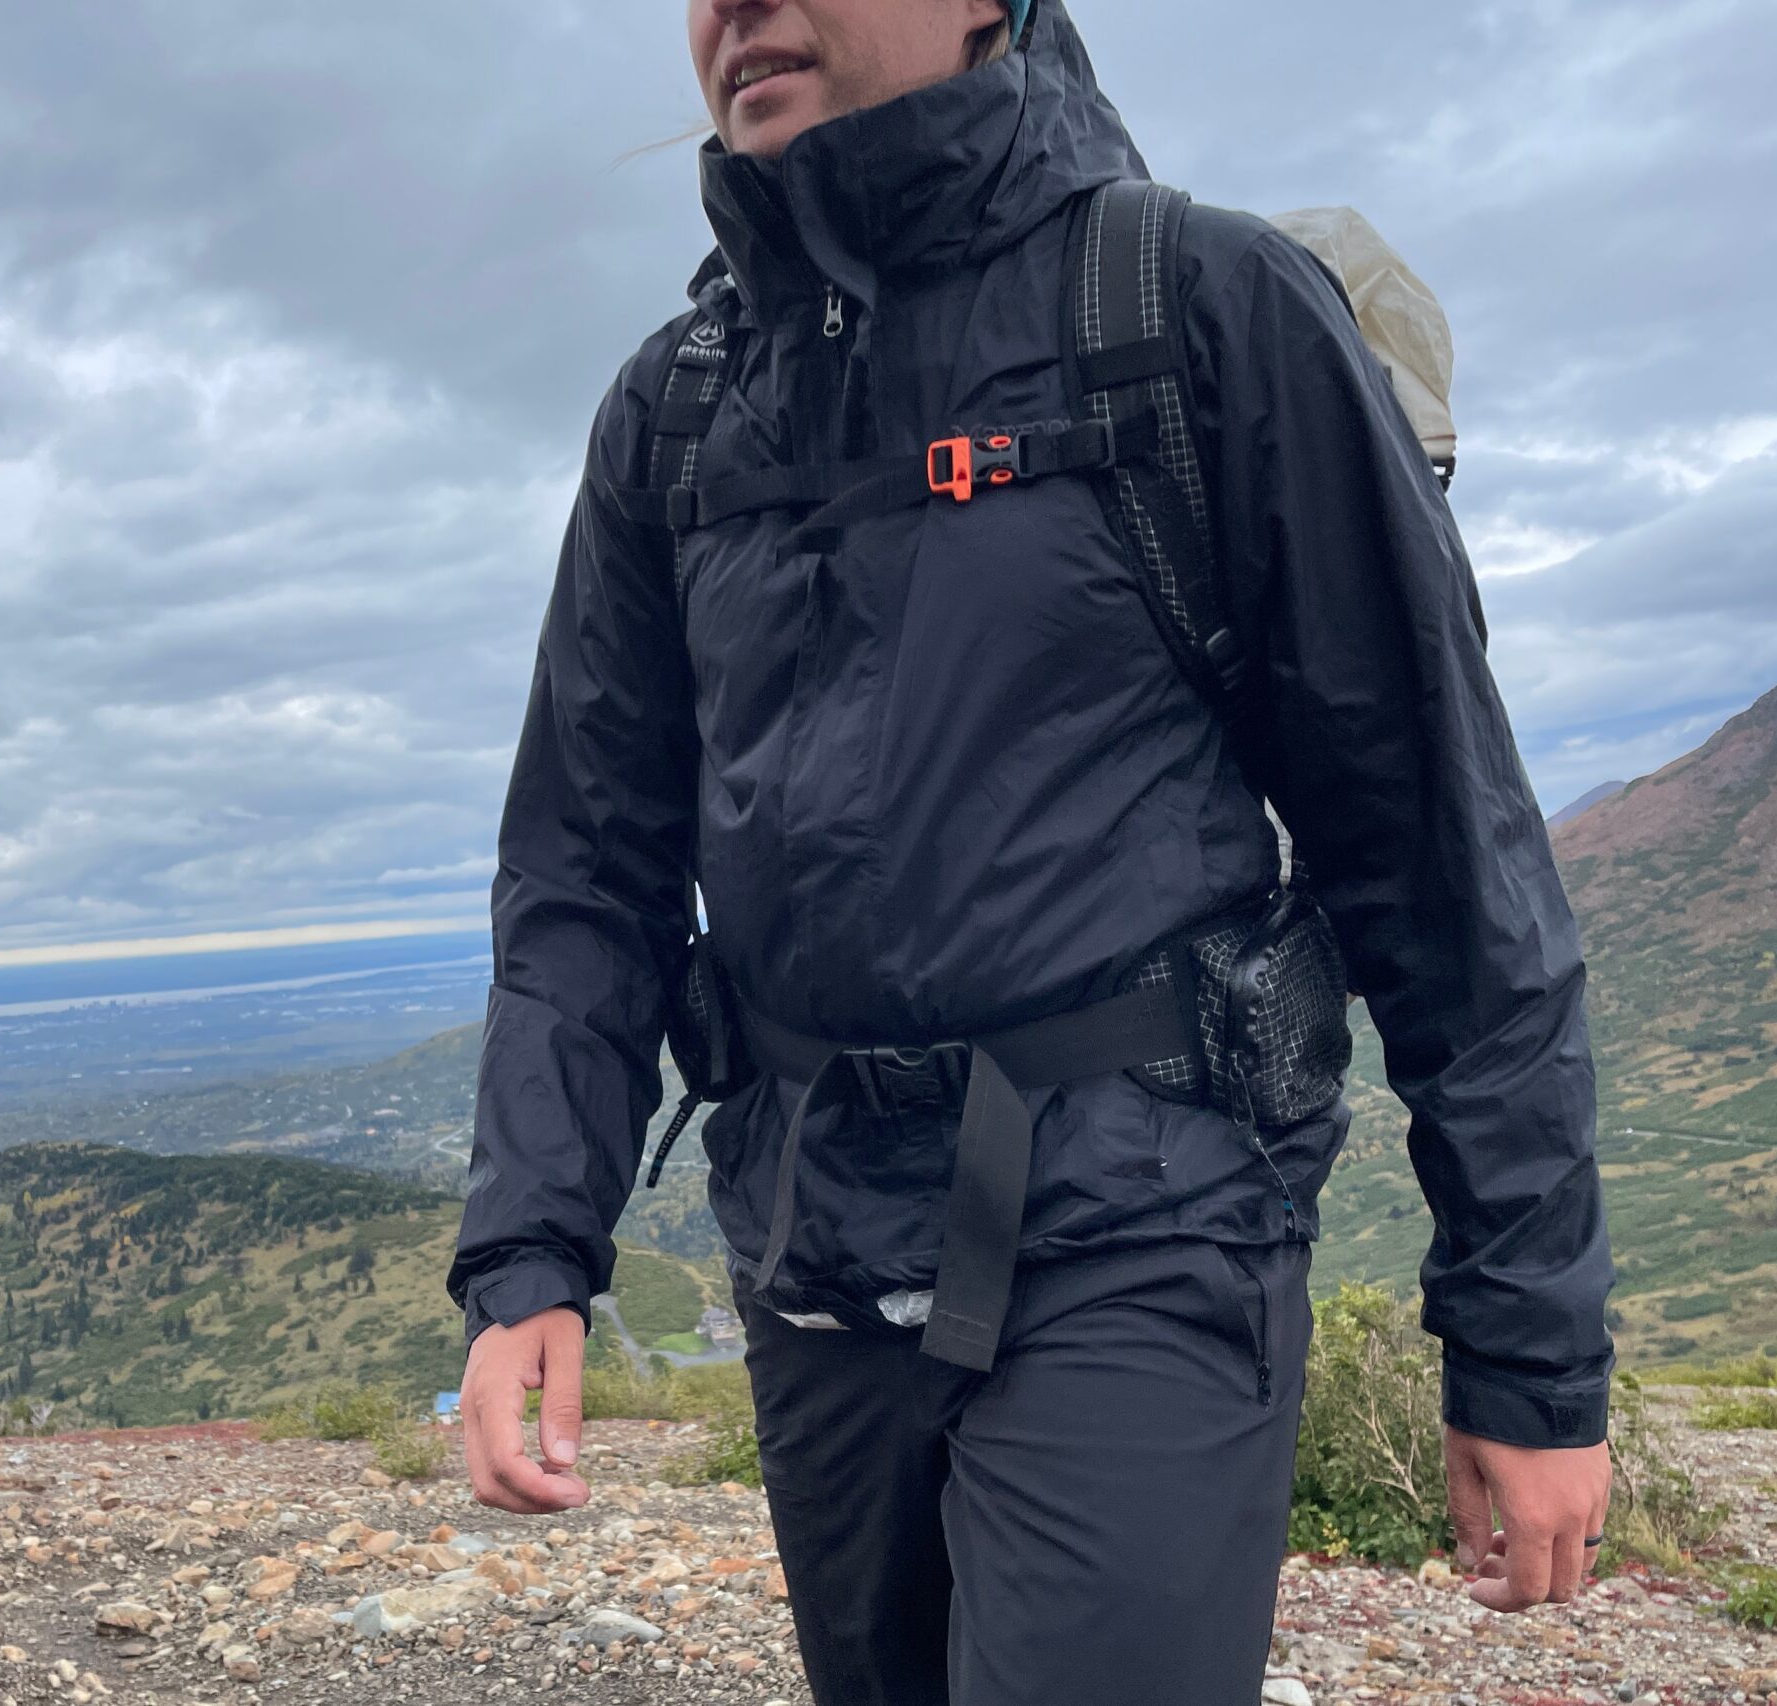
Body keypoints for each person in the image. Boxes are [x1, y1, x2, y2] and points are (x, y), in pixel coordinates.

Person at [447, 1, 1615, 1699]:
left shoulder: (1196, 312)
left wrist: (1526, 1350)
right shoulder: (679, 410)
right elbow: (586, 868)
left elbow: (1444, 860)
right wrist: (531, 1249)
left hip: (1145, 1229)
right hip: (816, 1249)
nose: (737, 8)